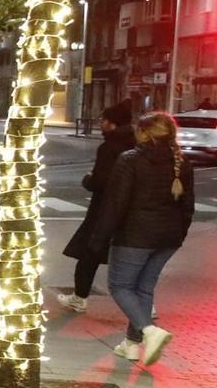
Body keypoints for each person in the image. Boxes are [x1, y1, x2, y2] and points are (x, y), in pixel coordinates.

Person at [82, 111, 195, 365]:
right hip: (168, 238)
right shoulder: (182, 162)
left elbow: (115, 204)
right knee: (144, 289)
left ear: (143, 133)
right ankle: (132, 345)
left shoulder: (131, 160)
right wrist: (179, 233)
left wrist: (98, 239)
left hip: (134, 236)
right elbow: (188, 205)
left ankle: (149, 331)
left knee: (121, 286)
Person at [59, 102, 140, 313]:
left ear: (112, 124)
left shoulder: (109, 148)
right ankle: (146, 305)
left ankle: (79, 297)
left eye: (103, 120)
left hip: (103, 210)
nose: (100, 124)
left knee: (89, 254)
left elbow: (100, 182)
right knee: (130, 258)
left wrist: (88, 179)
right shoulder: (136, 145)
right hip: (130, 211)